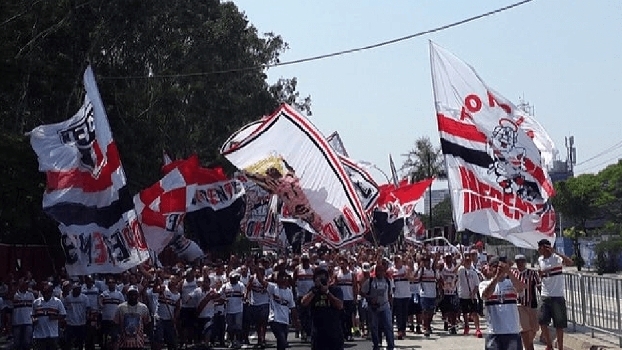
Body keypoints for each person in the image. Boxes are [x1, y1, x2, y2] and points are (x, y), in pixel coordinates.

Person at [479, 256, 526, 350]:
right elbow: (485, 295)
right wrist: (496, 277)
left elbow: (521, 289)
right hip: (493, 333)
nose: (498, 269)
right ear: (490, 268)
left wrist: (508, 271)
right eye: (495, 266)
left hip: (512, 331)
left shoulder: (511, 283)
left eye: (500, 267)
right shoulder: (484, 284)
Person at [537, 239, 573, 350]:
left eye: (540, 247)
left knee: (559, 324)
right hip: (545, 294)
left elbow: (570, 262)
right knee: (542, 321)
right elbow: (542, 274)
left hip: (557, 295)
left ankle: (560, 347)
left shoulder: (556, 258)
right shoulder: (540, 260)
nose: (538, 250)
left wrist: (555, 252)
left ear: (545, 247)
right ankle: (549, 344)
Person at [301, 266, 344, 350]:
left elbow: (340, 305)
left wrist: (327, 292)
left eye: (324, 277)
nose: (322, 280)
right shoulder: (313, 291)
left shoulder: (335, 290)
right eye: (319, 277)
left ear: (328, 279)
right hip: (318, 334)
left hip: (334, 332)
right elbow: (304, 303)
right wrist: (315, 290)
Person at [361, 261, 394, 350]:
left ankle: (390, 345)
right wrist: (370, 298)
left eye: (382, 271)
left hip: (385, 305)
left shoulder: (387, 281)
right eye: (378, 271)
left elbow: (390, 294)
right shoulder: (370, 281)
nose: (380, 273)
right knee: (374, 327)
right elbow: (362, 292)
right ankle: (376, 344)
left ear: (384, 272)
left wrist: (390, 306)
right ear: (375, 271)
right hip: (373, 307)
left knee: (388, 326)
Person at [512, 254, 541, 350]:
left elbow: (539, 286)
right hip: (520, 305)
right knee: (525, 330)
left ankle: (528, 345)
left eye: (522, 261)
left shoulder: (532, 273)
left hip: (531, 304)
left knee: (534, 329)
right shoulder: (513, 273)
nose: (520, 264)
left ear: (525, 262)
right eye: (518, 262)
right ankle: (529, 347)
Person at [267, 271, 299, 350]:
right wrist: (257, 269)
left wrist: (296, 321)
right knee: (283, 341)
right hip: (275, 319)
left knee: (281, 345)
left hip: (285, 320)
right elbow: (262, 281)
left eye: (285, 277)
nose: (283, 279)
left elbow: (292, 307)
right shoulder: (273, 287)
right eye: (281, 277)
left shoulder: (289, 291)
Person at [114, 285, 151, 350]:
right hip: (124, 343)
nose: (133, 296)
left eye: (135, 294)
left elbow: (147, 322)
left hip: (138, 343)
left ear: (138, 295)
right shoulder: (121, 307)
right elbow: (116, 323)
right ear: (127, 295)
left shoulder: (143, 307)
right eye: (131, 294)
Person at [33, 283, 67, 350]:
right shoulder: (36, 302)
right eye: (45, 292)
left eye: (49, 292)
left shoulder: (57, 302)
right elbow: (32, 315)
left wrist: (55, 317)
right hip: (39, 334)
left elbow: (63, 315)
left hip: (52, 334)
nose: (47, 294)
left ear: (51, 292)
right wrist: (34, 319)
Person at [457, 253, 483, 337]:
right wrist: (460, 263)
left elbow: (476, 284)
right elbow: (454, 272)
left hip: (472, 296)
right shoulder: (461, 269)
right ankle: (466, 326)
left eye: (469, 260)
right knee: (465, 313)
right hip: (463, 295)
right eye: (466, 260)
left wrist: (473, 293)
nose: (467, 262)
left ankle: (477, 329)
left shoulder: (473, 272)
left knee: (474, 313)